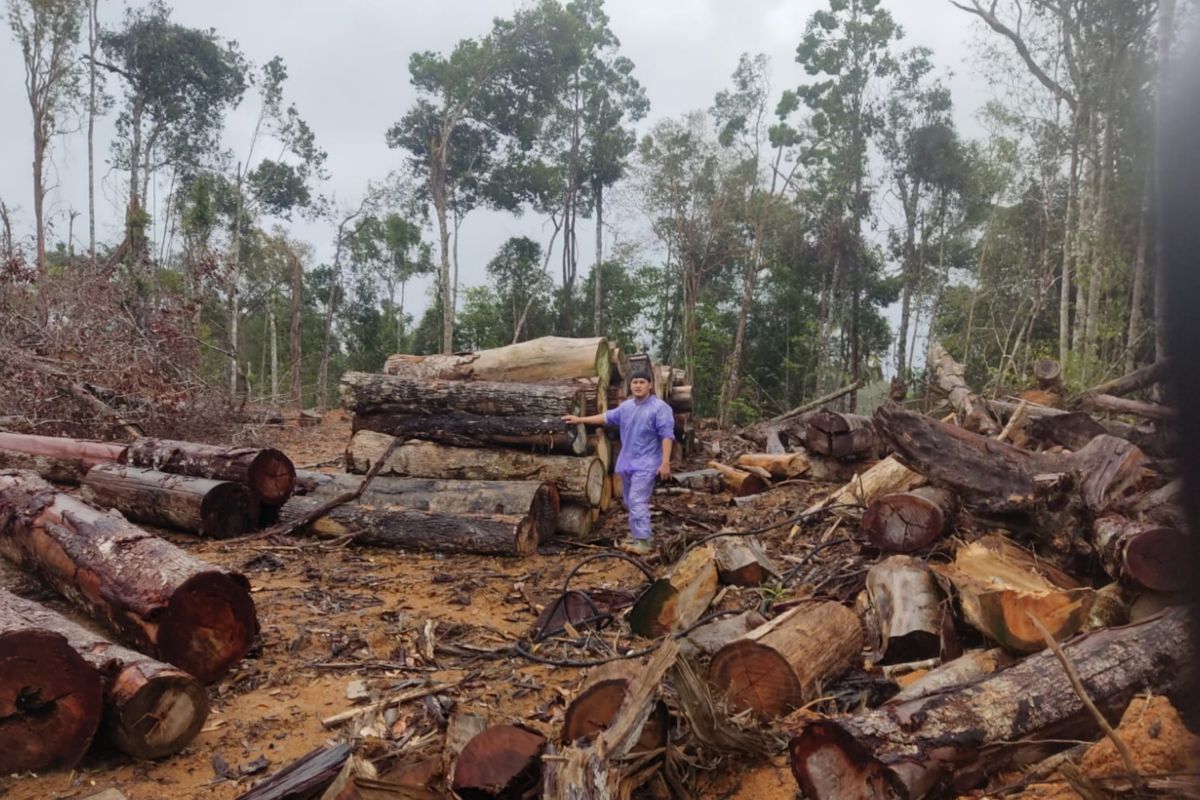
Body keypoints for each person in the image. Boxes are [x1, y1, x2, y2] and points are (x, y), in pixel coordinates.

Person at [563, 366, 674, 555]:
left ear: (650, 385)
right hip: (628, 462)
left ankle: (644, 543)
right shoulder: (627, 407)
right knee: (630, 502)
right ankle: (639, 535)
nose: (638, 386)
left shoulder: (660, 408)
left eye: (642, 382)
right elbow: (606, 417)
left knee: (637, 500)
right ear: (630, 385)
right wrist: (579, 419)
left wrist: (665, 463)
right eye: (635, 382)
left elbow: (667, 436)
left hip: (647, 463)